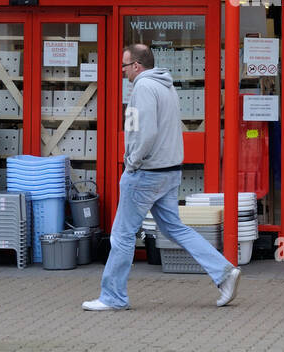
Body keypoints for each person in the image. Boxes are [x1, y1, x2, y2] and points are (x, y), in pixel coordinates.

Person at [83, 44, 241, 311]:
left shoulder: (143, 88)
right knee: (175, 228)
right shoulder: (166, 86)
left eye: (124, 66)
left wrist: (132, 162)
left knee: (121, 234)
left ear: (136, 66)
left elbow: (145, 132)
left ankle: (113, 297)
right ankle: (224, 272)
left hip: (146, 173)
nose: (123, 72)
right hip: (168, 171)